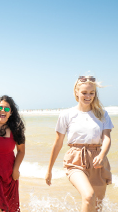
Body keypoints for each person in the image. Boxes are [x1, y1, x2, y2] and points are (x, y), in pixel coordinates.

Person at [45, 76, 114, 212]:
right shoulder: (67, 114)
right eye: (84, 92)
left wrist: (102, 154)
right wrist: (49, 170)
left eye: (91, 93)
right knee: (89, 196)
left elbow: (107, 138)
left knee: (97, 206)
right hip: (75, 160)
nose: (88, 96)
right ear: (76, 92)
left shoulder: (102, 114)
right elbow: (58, 143)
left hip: (98, 161)